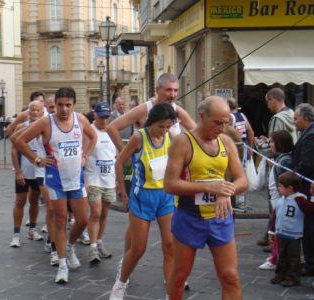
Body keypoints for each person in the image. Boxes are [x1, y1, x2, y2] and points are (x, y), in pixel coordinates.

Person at [164, 96, 248, 300]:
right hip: (189, 217)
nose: (221, 127)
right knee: (179, 276)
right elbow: (169, 184)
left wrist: (225, 191)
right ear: (202, 116)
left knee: (231, 277)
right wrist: (210, 187)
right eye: (217, 122)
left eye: (225, 122)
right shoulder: (183, 142)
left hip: (220, 217)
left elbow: (243, 180)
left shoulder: (226, 142)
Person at [14, 87, 97, 284]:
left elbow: (93, 137)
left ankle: (69, 247)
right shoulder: (46, 122)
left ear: (74, 105)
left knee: (83, 219)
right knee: (60, 221)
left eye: (68, 105)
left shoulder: (81, 120)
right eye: (60, 105)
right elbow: (19, 140)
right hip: (55, 180)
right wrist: (36, 159)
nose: (64, 109)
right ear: (55, 104)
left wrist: (85, 154)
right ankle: (61, 265)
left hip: (76, 179)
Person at [109, 103, 178, 300]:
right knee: (138, 248)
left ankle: (170, 292)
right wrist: (123, 194)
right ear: (151, 122)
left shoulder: (170, 137)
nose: (164, 131)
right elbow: (120, 162)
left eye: (167, 126)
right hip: (142, 198)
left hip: (165, 198)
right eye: (161, 126)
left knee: (170, 246)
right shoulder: (139, 137)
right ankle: (120, 283)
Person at [107, 73, 196, 152]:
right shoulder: (144, 109)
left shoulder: (178, 111)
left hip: (173, 167)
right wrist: (126, 155)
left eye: (175, 90)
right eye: (168, 90)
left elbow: (198, 134)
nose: (173, 95)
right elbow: (112, 128)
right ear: (157, 90)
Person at [9, 101, 46, 248]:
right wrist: (17, 171)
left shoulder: (46, 128)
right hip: (24, 171)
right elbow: (14, 149)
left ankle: (32, 229)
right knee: (20, 201)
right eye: (32, 110)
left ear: (42, 112)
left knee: (35, 201)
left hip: (38, 172)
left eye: (38, 110)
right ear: (28, 112)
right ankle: (16, 235)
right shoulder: (21, 127)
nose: (35, 113)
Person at [268, 172, 314, 287]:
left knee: (293, 258)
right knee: (281, 256)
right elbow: (275, 216)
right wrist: (272, 231)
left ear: (290, 188)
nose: (278, 188)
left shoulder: (300, 200)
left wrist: (312, 195)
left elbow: (310, 209)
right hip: (281, 233)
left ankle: (293, 277)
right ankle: (280, 274)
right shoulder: (280, 200)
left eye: (280, 186)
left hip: (294, 235)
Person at [84, 102, 116, 264]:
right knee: (95, 212)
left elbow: (117, 155)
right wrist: (84, 180)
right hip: (93, 177)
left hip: (109, 179)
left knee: (104, 213)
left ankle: (100, 241)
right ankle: (92, 247)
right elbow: (82, 156)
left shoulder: (112, 131)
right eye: (101, 116)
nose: (104, 120)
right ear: (94, 115)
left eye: (107, 116)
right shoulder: (89, 131)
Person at [258, 130, 294, 270]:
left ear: (279, 143)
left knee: (278, 230)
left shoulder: (285, 160)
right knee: (276, 229)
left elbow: (285, 182)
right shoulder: (280, 158)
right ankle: (276, 256)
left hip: (279, 199)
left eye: (272, 142)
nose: (270, 144)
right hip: (276, 198)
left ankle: (276, 259)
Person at [292, 103, 314, 276]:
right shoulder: (308, 133)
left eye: (296, 118)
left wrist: (292, 177)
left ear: (305, 118)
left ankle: (310, 263)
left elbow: (307, 164)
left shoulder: (311, 135)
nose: (294, 122)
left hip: (308, 187)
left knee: (309, 226)